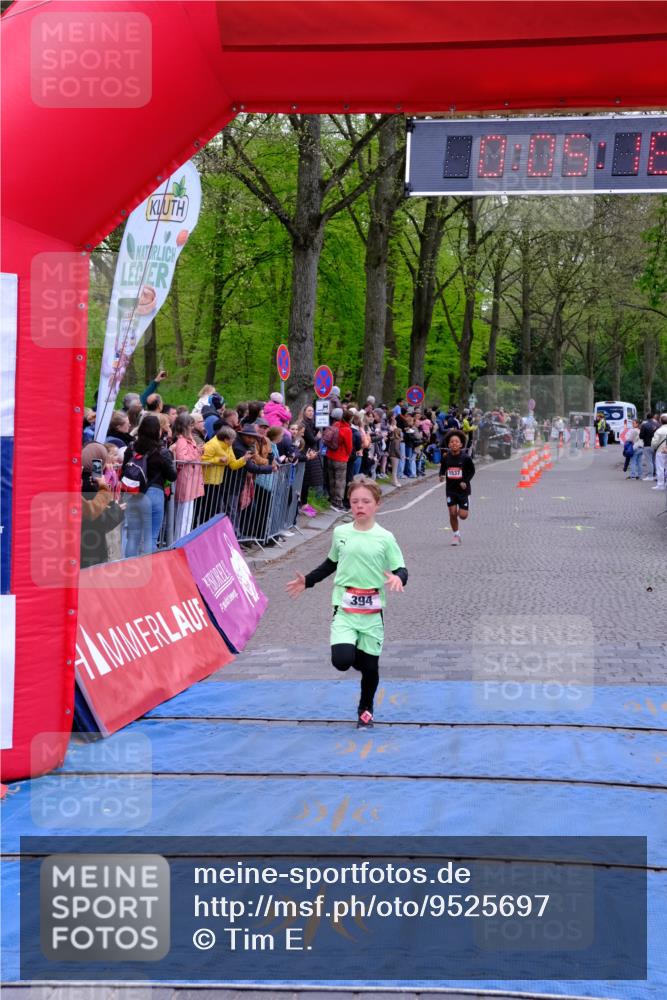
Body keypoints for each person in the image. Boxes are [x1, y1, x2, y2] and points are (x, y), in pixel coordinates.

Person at [286, 476, 407, 728]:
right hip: (344, 607)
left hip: (373, 611)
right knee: (341, 661)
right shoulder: (340, 532)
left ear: (377, 504)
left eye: (366, 501)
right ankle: (359, 657)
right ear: (350, 505)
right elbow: (331, 563)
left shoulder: (385, 537)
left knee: (370, 668)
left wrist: (398, 578)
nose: (360, 506)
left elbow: (400, 568)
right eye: (355, 502)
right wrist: (307, 581)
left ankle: (366, 708)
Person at [121, 413, 176, 556]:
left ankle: (127, 569)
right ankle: (147, 572)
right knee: (150, 537)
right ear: (158, 431)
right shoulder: (162, 452)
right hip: (154, 494)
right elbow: (172, 476)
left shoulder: (131, 448)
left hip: (132, 494)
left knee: (132, 536)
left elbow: (124, 470)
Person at [439, 428, 475, 546]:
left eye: (456, 442)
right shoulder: (445, 457)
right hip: (450, 490)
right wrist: (441, 475)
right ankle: (456, 535)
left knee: (463, 516)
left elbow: (472, 471)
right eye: (451, 442)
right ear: (448, 444)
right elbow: (443, 468)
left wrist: (465, 480)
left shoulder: (466, 458)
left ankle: (465, 505)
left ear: (461, 444)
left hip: (463, 490)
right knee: (452, 513)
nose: (454, 443)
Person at [171, 414, 204, 538]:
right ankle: (180, 539)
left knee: (187, 513)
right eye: (190, 425)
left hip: (191, 480)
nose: (192, 427)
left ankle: (183, 537)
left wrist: (197, 451)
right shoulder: (182, 441)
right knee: (184, 514)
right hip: (186, 480)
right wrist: (197, 452)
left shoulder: (188, 440)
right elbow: (182, 458)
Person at [324, 407, 352, 511]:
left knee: (331, 479)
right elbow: (349, 446)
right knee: (340, 481)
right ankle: (338, 503)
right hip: (341, 458)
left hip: (330, 456)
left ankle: (332, 500)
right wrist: (348, 455)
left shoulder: (335, 425)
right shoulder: (347, 430)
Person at [651, 414, 667, 491]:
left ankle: (660, 485)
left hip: (660, 451)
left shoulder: (659, 430)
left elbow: (654, 442)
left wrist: (654, 448)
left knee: (660, 468)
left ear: (660, 421)